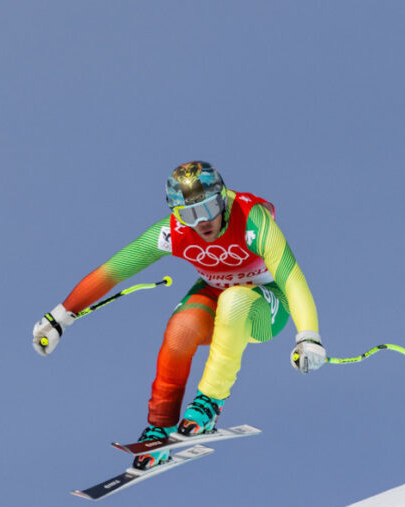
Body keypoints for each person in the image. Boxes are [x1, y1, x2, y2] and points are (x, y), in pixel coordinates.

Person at [32, 161, 326, 469]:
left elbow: (291, 276)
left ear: (222, 197)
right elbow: (115, 269)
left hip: (265, 304)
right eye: (189, 214)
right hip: (215, 294)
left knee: (234, 301)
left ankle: (210, 402)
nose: (201, 222)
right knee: (181, 327)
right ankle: (160, 428)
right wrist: (60, 318)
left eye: (208, 207)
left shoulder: (252, 218)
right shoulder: (173, 230)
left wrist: (308, 336)